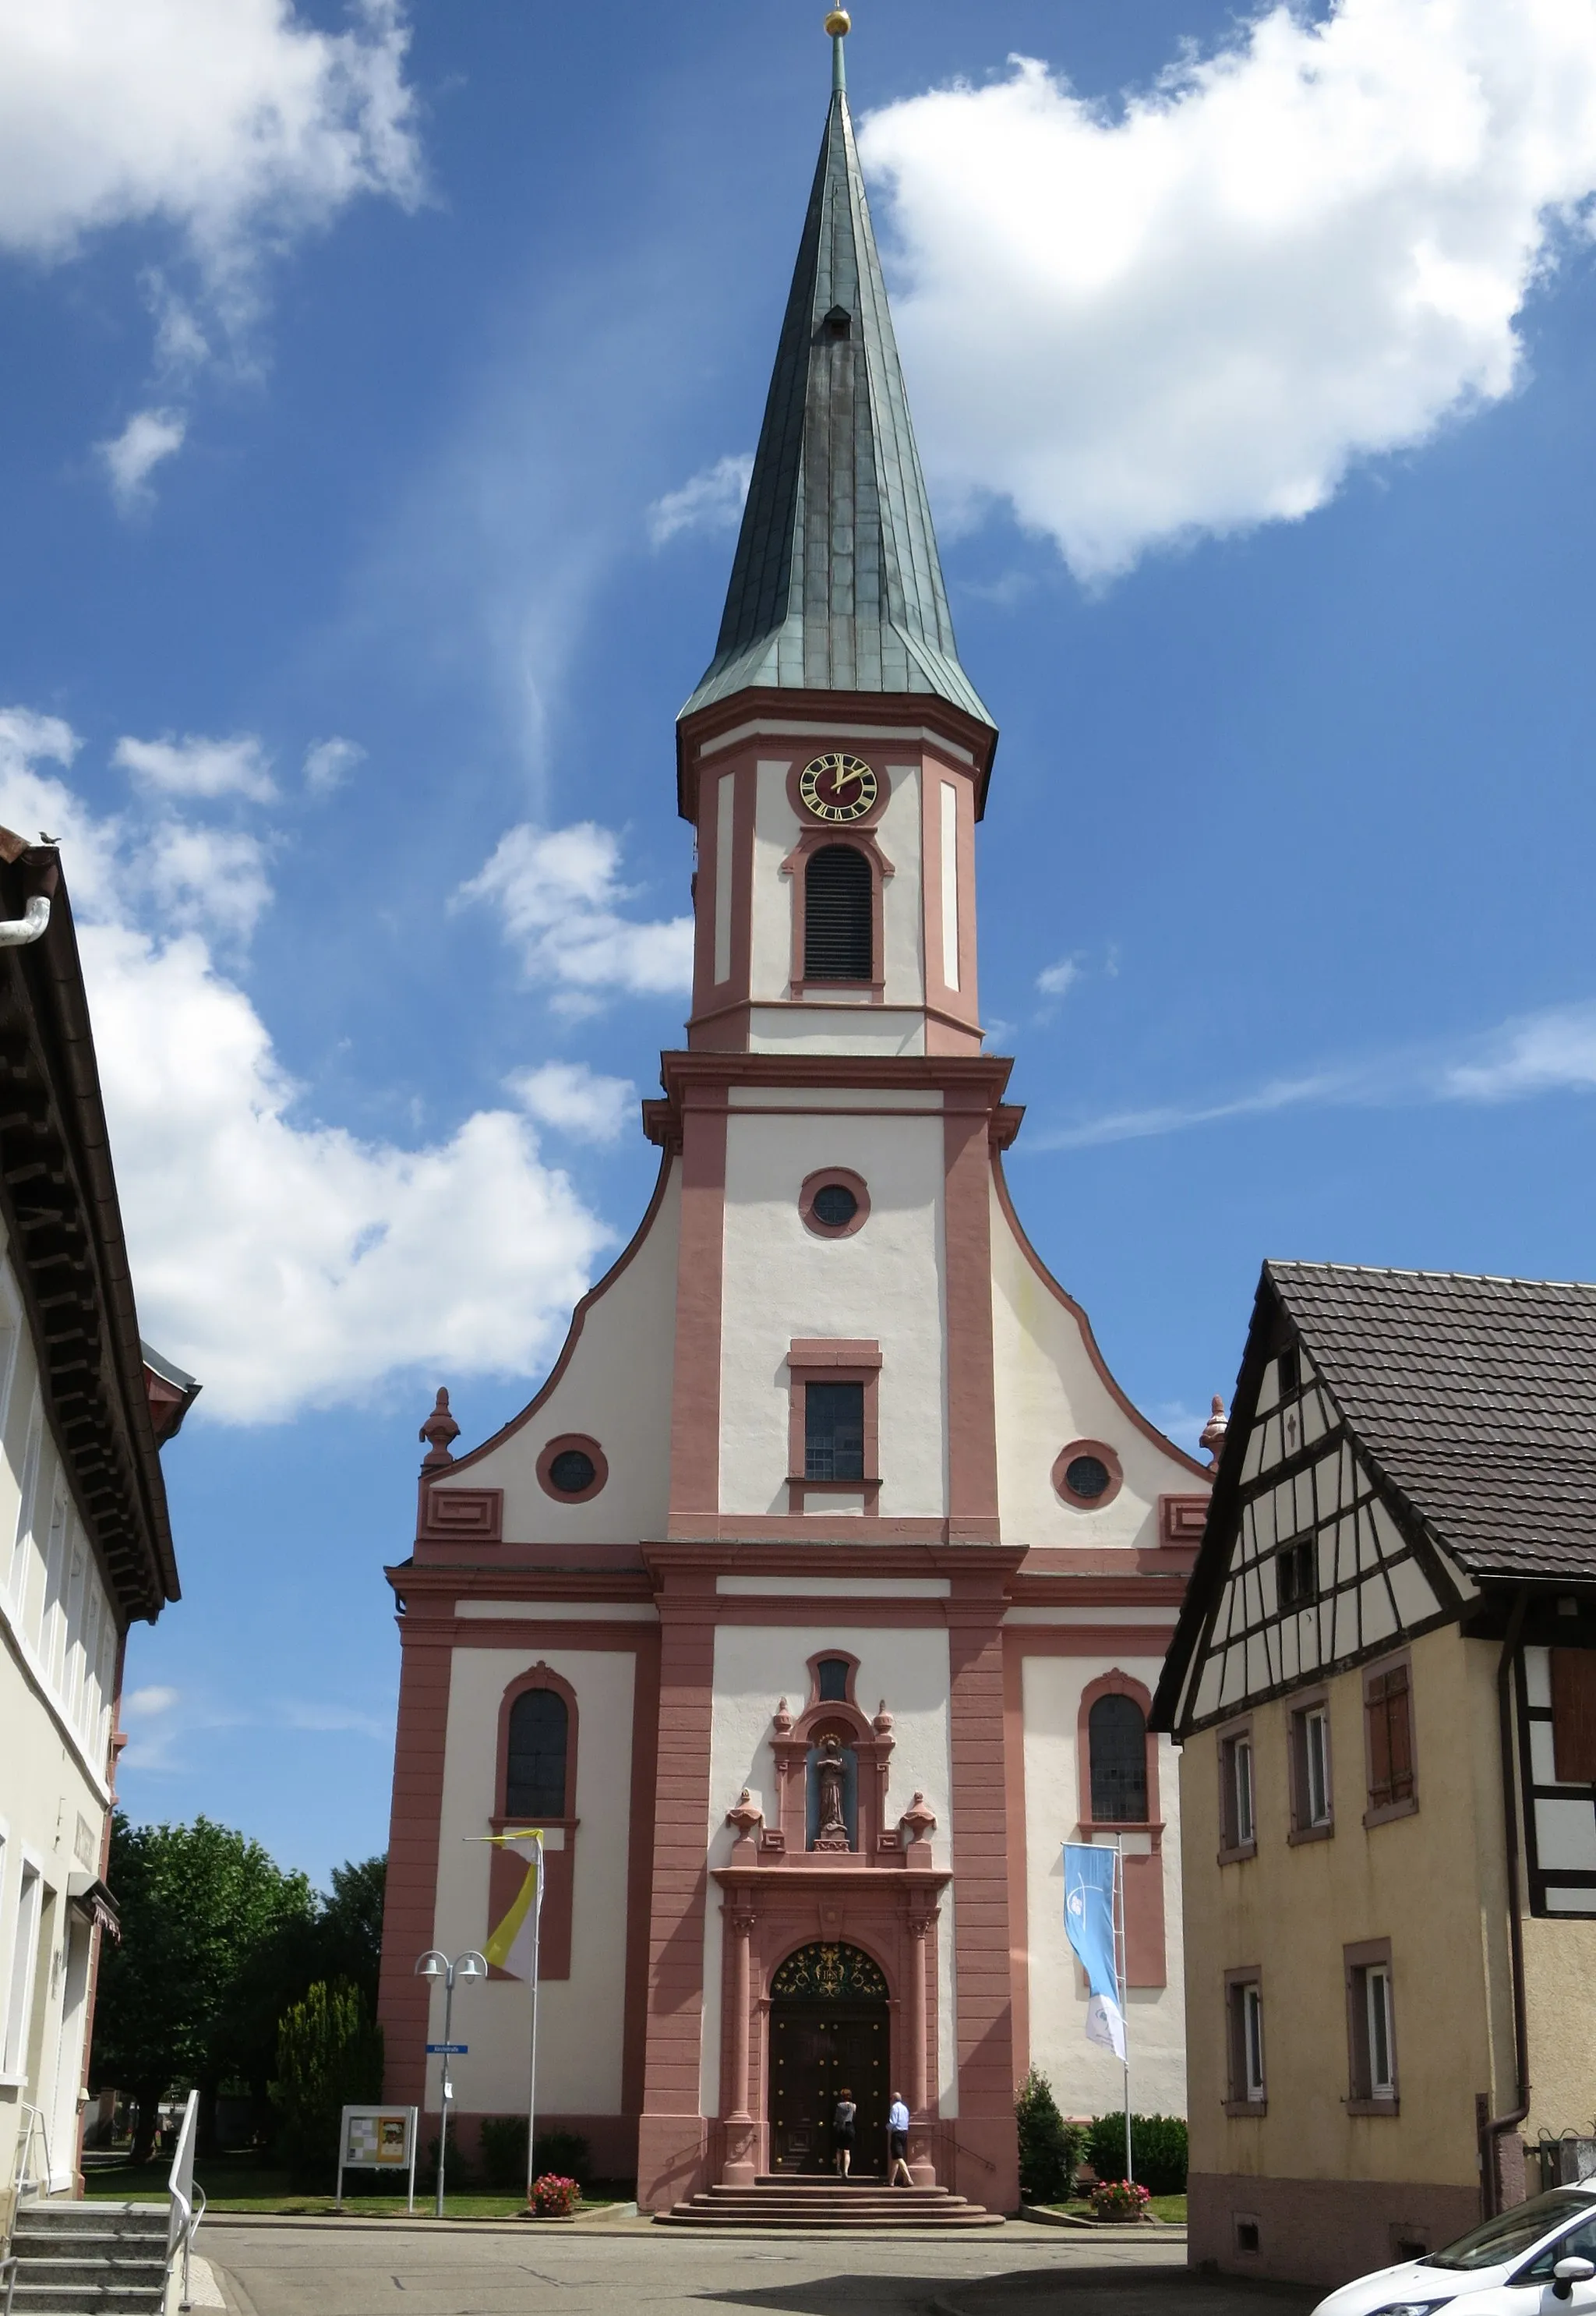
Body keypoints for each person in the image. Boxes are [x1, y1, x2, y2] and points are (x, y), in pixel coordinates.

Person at [887, 2091, 913, 2187]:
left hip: (897, 2133)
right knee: (896, 2158)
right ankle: (891, 2181)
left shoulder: (894, 2107)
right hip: (904, 2133)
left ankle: (909, 2179)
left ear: (893, 2099)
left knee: (898, 2157)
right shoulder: (905, 2108)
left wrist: (887, 2128)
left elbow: (893, 2122)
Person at [832, 2087, 857, 2178]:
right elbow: (853, 2116)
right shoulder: (853, 2106)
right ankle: (846, 2171)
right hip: (849, 2127)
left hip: (841, 2127)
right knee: (847, 2151)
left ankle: (838, 2168)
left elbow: (837, 2117)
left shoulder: (839, 2105)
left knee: (839, 2150)